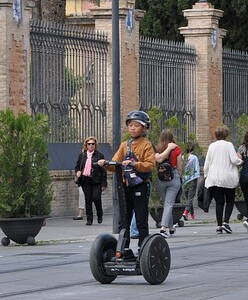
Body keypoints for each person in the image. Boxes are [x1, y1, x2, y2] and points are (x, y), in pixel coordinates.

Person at [98, 110, 156, 258]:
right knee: (124, 220)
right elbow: (116, 163)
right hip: (126, 186)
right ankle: (123, 249)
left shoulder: (146, 145)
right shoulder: (125, 145)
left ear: (144, 128)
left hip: (140, 185)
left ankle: (143, 250)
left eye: (136, 125)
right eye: (131, 125)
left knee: (141, 220)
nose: (133, 128)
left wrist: (135, 164)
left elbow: (150, 165)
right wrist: (105, 163)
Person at [203, 125, 243, 234]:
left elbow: (207, 164)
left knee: (219, 202)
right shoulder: (229, 145)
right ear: (226, 135)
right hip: (228, 177)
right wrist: (241, 161)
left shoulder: (212, 146)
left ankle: (219, 226)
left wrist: (206, 177)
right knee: (230, 201)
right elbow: (234, 160)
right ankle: (226, 222)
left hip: (214, 178)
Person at [153, 129, 182, 237]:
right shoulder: (177, 149)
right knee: (169, 204)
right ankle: (163, 228)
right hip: (173, 177)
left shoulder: (157, 149)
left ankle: (170, 227)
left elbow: (158, 160)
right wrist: (180, 176)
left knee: (167, 203)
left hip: (161, 179)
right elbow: (179, 167)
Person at [74, 136, 108, 225]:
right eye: (89, 144)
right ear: (86, 145)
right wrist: (77, 172)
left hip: (96, 180)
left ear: (95, 145)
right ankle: (89, 219)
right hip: (85, 180)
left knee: (96, 198)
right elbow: (77, 166)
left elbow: (103, 171)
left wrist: (104, 183)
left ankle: (99, 214)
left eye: (93, 144)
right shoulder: (82, 155)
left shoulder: (99, 155)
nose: (91, 146)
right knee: (88, 199)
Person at [182, 143, 200, 220]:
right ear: (192, 150)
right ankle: (186, 212)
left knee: (187, 198)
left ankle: (192, 214)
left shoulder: (182, 157)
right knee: (190, 197)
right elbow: (196, 168)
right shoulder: (194, 158)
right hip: (192, 179)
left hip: (184, 179)